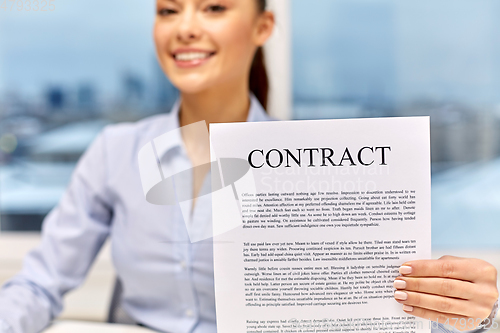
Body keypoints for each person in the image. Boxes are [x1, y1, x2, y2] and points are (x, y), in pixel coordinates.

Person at [0, 0, 498, 332]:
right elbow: (40, 283)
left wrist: (466, 309)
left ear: (263, 26)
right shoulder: (115, 152)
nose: (186, 26)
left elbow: (372, 304)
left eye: (214, 7)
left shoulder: (314, 163)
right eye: (168, 9)